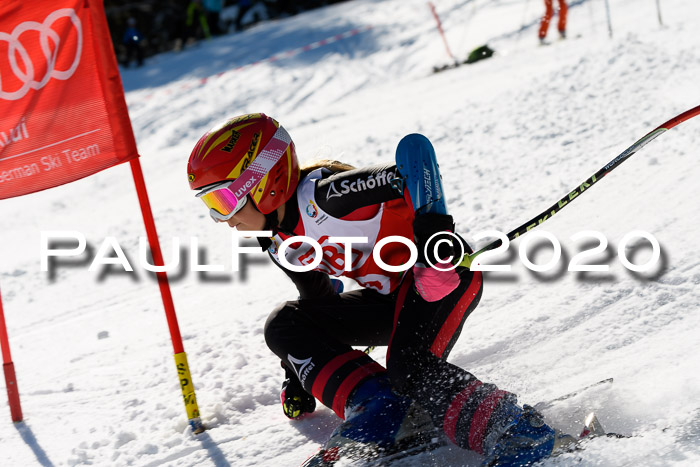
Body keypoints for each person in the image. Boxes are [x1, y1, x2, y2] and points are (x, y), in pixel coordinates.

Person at [187, 114, 574, 465]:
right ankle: (380, 408)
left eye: (222, 200)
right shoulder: (278, 241)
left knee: (408, 366)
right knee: (284, 324)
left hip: (443, 280)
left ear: (264, 181)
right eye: (210, 205)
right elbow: (318, 308)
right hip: (390, 300)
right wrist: (299, 372)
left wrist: (434, 242)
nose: (221, 218)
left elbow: (415, 157)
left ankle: (520, 433)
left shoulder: (328, 197)